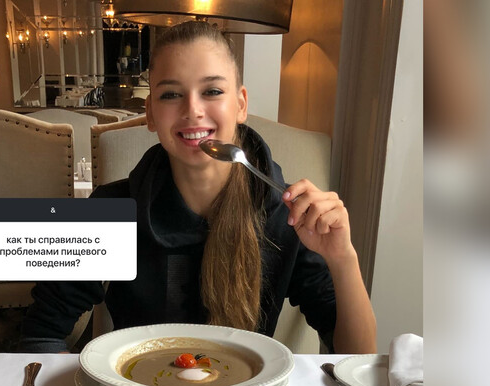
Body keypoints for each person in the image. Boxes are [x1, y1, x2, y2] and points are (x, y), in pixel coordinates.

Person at [20, 21, 376, 354]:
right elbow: (40, 334)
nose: (192, 109)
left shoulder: (288, 215)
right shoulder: (109, 210)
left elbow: (355, 355)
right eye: (171, 94)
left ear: (240, 105)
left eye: (212, 91)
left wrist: (342, 257)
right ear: (151, 113)